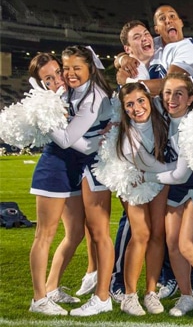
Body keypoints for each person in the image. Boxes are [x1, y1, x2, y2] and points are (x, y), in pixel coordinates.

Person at [110, 13, 193, 304]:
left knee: (171, 228)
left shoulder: (172, 54)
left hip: (162, 150)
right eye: (138, 37)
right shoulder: (144, 60)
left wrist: (131, 80)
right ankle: (121, 284)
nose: (144, 39)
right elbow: (131, 66)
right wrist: (121, 64)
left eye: (145, 34)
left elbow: (173, 82)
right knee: (134, 228)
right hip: (132, 153)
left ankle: (174, 282)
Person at [141, 73, 193, 320]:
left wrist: (146, 176)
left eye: (178, 94)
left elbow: (182, 175)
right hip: (176, 188)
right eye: (167, 92)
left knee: (188, 245)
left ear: (190, 99)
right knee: (173, 245)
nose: (171, 98)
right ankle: (186, 296)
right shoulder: (163, 116)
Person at [27, 52, 98, 315]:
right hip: (53, 172)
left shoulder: (70, 95)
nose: (58, 79)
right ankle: (38, 299)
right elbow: (70, 142)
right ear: (39, 84)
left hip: (73, 171)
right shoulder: (42, 105)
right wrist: (101, 139)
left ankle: (52, 287)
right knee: (44, 235)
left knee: (76, 233)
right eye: (49, 78)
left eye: (58, 72)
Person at [53, 45, 115, 317]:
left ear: (90, 68)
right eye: (66, 68)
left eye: (77, 68)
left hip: (96, 166)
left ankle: (103, 297)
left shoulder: (95, 97)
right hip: (80, 165)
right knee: (85, 230)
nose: (70, 73)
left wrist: (44, 119)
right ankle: (89, 279)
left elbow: (69, 140)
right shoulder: (70, 91)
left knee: (100, 232)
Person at [111, 82, 173, 316]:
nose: (136, 108)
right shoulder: (127, 136)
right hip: (134, 180)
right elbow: (151, 166)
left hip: (159, 177)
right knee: (141, 234)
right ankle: (129, 295)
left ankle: (151, 292)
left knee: (158, 232)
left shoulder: (162, 118)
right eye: (129, 104)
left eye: (140, 101)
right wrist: (179, 170)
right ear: (123, 109)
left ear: (149, 100)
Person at [116, 4, 193, 96]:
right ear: (156, 29)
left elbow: (171, 85)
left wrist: (128, 82)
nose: (168, 21)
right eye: (162, 18)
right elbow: (129, 53)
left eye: (172, 16)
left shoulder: (189, 49)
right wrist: (122, 59)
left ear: (181, 23)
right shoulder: (154, 43)